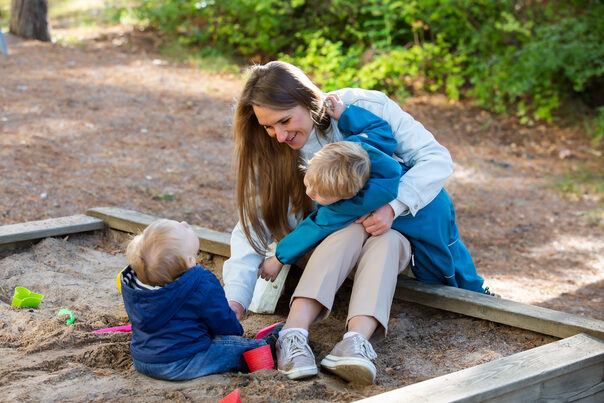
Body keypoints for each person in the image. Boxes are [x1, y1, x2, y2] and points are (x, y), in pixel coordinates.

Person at [223, 61, 457, 384]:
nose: (278, 135)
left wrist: (393, 206)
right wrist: (235, 297)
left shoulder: (359, 108)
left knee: (385, 239)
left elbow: (437, 158)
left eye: (285, 120)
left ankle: (356, 343)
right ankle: (293, 335)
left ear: (308, 99)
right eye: (267, 127)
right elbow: (252, 224)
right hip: (333, 245)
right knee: (346, 226)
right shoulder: (271, 150)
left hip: (395, 234)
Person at [258, 95, 486, 301]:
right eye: (308, 182)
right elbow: (378, 127)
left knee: (435, 257)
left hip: (425, 212)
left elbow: (314, 228)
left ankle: (463, 296)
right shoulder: (360, 149)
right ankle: (475, 289)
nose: (310, 193)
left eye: (318, 194)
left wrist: (279, 258)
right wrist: (346, 113)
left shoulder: (347, 206)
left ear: (344, 196)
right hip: (435, 199)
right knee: (452, 245)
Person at [120, 219, 280, 381]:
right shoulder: (201, 282)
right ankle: (267, 345)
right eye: (183, 230)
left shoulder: (135, 285)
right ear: (189, 261)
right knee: (231, 348)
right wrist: (235, 332)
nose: (184, 223)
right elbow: (222, 320)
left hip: (142, 359)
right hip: (180, 362)